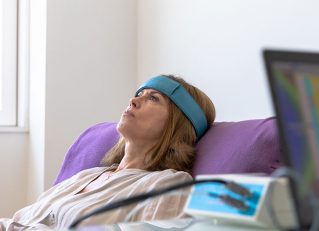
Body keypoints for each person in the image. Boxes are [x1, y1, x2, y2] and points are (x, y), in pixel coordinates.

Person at [0, 75, 216, 230]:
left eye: (153, 98)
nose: (133, 100)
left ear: (176, 125)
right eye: (139, 93)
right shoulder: (85, 176)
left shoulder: (168, 186)